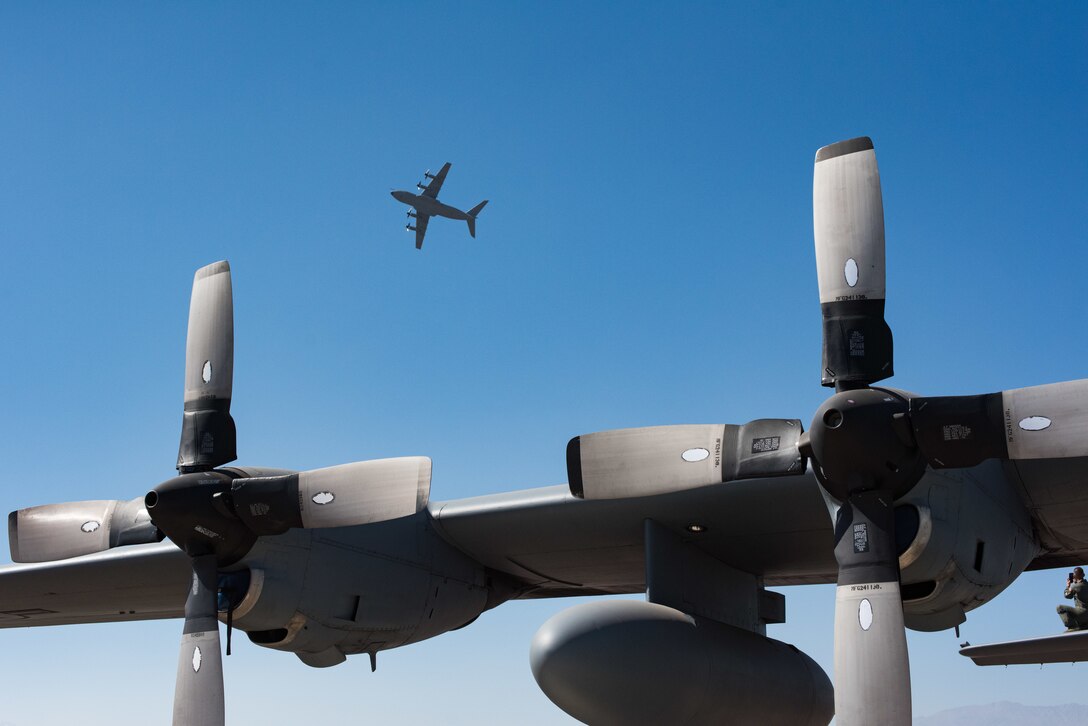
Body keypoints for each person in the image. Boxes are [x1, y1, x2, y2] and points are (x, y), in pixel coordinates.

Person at [1057, 567, 1088, 631]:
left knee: (1060, 607)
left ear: (1075, 576)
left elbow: (1067, 595)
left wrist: (1068, 586)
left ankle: (1072, 626)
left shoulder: (1075, 586)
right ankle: (1084, 625)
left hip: (1082, 612)